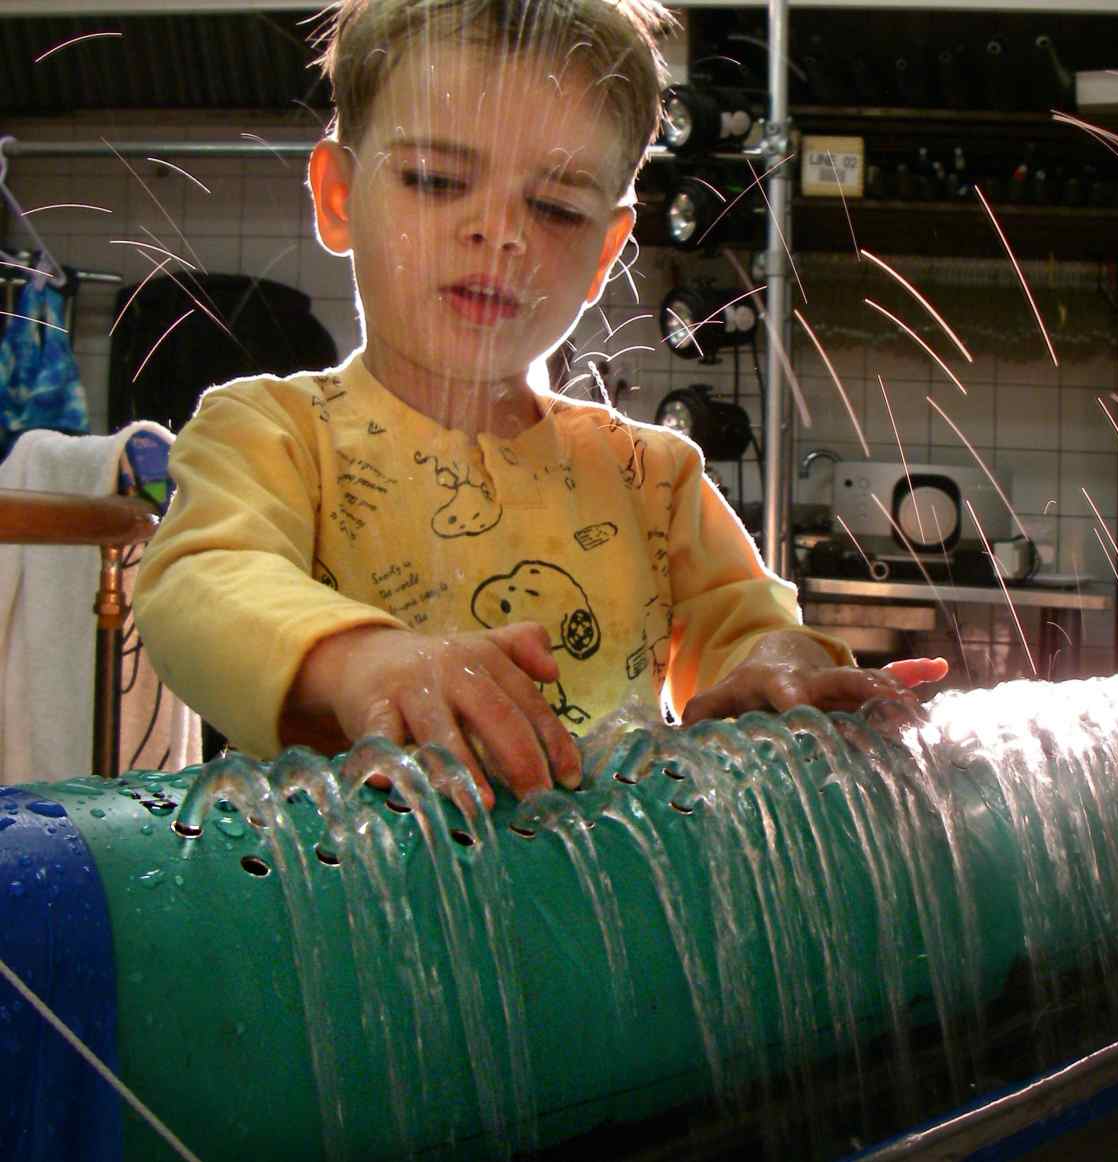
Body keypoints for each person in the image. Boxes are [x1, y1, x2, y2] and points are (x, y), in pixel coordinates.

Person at [133, 0, 946, 811]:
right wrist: (361, 663)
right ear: (339, 195)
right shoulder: (271, 434)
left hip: (607, 890)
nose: (499, 231)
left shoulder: (650, 477)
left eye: (555, 207)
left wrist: (780, 670)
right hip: (342, 890)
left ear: (603, 251)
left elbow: (747, 629)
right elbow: (198, 586)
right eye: (437, 179)